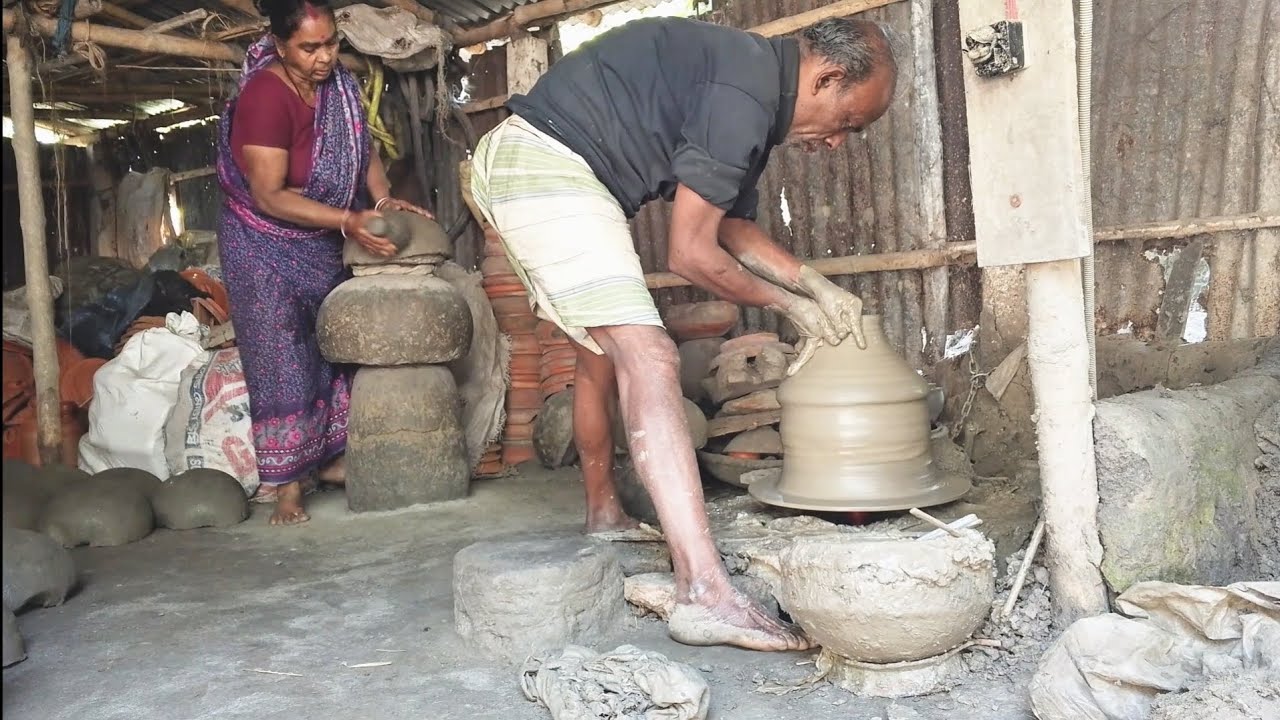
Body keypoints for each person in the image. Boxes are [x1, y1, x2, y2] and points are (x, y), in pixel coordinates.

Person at [470, 16, 898, 651]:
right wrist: (789, 307)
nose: (838, 143)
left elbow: (734, 231)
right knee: (649, 353)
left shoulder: (752, 87)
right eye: (848, 123)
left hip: (542, 158)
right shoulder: (744, 96)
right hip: (544, 162)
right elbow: (691, 254)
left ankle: (604, 514)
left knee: (605, 352)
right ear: (828, 78)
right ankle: (705, 593)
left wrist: (815, 285)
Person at [216, 0, 429, 526]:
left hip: (321, 236)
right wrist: (348, 221)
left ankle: (331, 461)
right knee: (279, 355)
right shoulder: (265, 96)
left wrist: (379, 200)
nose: (325, 56)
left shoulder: (339, 87)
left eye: (332, 42)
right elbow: (268, 194)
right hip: (262, 241)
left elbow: (362, 147)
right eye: (310, 48)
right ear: (281, 45)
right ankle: (286, 485)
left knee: (328, 348)